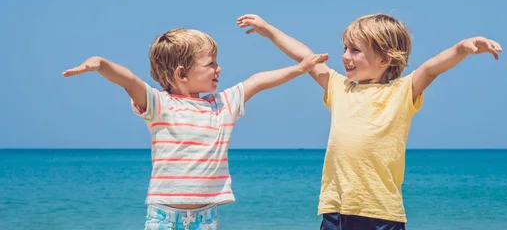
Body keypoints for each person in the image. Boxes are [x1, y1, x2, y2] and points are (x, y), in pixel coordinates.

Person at [236, 13, 502, 230]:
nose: (345, 56)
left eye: (355, 50)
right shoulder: (339, 88)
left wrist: (462, 48)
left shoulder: (402, 92)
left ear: (385, 59)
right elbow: (305, 57)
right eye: (345, 48)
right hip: (336, 210)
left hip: (381, 212)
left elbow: (431, 68)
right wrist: (268, 30)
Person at [62, 27, 328, 230]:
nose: (218, 68)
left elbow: (257, 81)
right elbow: (130, 81)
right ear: (182, 74)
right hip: (163, 216)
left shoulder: (222, 104)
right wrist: (101, 64)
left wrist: (301, 68)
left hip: (206, 217)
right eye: (211, 64)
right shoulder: (160, 105)